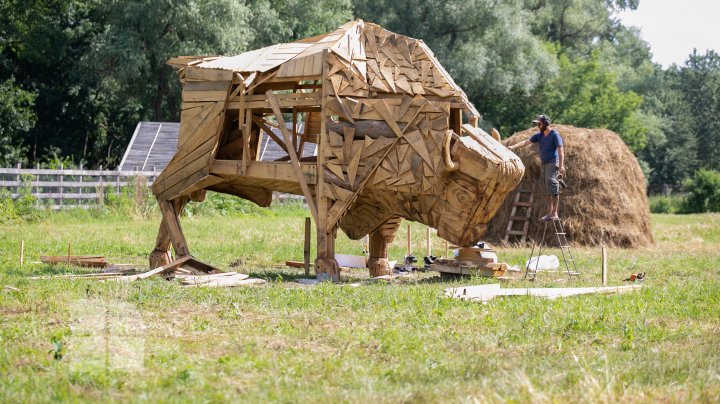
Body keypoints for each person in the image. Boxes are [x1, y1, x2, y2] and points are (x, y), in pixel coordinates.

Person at [509, 114, 565, 221]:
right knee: (547, 188)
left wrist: (561, 165)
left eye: (539, 123)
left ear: (545, 123)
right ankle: (550, 213)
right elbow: (526, 142)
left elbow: (560, 150)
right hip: (544, 164)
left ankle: (554, 213)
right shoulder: (539, 135)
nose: (537, 126)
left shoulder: (554, 134)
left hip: (553, 163)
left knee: (552, 183)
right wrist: (513, 146)